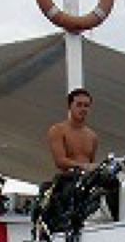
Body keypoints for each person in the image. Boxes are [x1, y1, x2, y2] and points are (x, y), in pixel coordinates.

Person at [45, 86, 119, 220]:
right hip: (67, 182)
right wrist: (84, 166)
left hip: (88, 181)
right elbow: (60, 161)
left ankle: (118, 219)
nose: (83, 109)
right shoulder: (58, 130)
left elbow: (91, 163)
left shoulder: (92, 136)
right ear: (70, 106)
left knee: (113, 182)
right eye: (79, 105)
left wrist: (93, 169)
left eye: (86, 106)